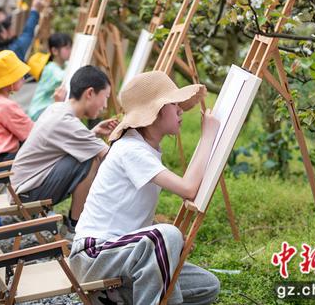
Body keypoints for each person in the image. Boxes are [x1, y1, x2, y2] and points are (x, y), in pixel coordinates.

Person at [69, 71, 221, 305]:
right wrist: (208, 137)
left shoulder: (143, 147)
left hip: (119, 253)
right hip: (93, 255)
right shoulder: (132, 149)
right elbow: (189, 189)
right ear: (154, 112)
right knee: (166, 235)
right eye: (173, 104)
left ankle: (114, 296)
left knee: (207, 286)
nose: (180, 110)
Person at [10, 65, 119, 237]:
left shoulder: (57, 109)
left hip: (21, 188)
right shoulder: (66, 121)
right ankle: (73, 228)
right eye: (105, 97)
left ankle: (75, 223)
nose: (105, 105)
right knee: (90, 160)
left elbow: (66, 142)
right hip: (26, 196)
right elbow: (111, 157)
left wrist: (94, 132)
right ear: (89, 93)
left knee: (86, 155)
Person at [27, 33, 73, 121]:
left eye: (71, 47)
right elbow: (63, 77)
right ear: (55, 51)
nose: (70, 51)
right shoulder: (50, 68)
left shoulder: (64, 65)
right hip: (38, 111)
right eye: (67, 48)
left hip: (47, 109)